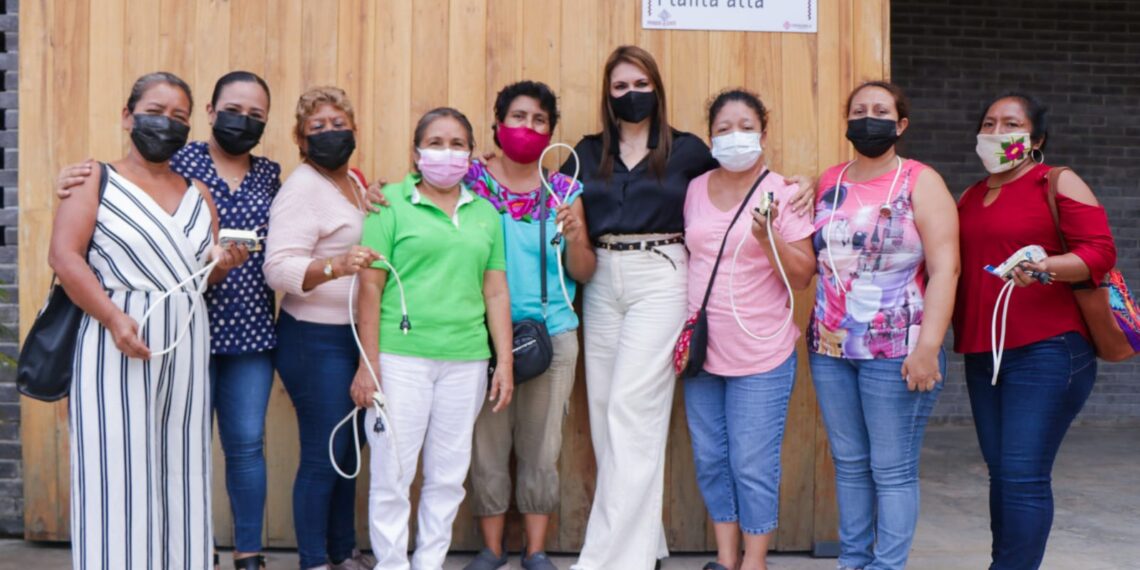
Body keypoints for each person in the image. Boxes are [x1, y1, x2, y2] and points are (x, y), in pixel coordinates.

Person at [47, 71, 248, 570]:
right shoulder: (94, 178)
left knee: (182, 466)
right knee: (116, 468)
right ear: (127, 116)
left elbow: (204, 276)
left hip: (185, 340)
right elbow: (65, 257)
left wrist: (222, 266)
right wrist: (114, 319)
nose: (167, 124)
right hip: (115, 335)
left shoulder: (200, 192)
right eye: (155, 112)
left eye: (179, 117)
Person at [564, 45, 718, 570]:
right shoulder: (584, 153)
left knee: (633, 411)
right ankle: (644, 545)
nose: (632, 94)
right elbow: (538, 206)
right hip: (602, 278)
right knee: (608, 414)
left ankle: (609, 560)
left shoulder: (690, 150)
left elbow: (735, 190)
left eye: (640, 84)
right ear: (608, 95)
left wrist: (800, 190)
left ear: (657, 85)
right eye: (621, 87)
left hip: (661, 273)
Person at [953, 92, 1115, 570]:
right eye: (989, 123)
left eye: (1011, 124)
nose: (997, 132)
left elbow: (1100, 252)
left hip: (1049, 348)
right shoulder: (970, 196)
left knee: (1022, 475)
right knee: (1002, 475)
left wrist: (1046, 264)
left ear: (1036, 139)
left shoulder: (1058, 181)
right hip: (985, 352)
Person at [353, 107, 514, 570]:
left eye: (458, 143)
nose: (447, 152)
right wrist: (369, 362)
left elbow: (496, 289)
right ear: (416, 151)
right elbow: (369, 285)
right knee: (392, 475)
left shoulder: (485, 213)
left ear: (471, 153)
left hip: (465, 360)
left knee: (447, 477)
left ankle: (429, 563)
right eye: (437, 142)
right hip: (401, 360)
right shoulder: (389, 205)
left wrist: (503, 361)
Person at [808, 81, 959, 570]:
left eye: (880, 110)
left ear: (901, 124)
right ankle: (852, 563)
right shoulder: (830, 180)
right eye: (858, 110)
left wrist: (928, 347)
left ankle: (886, 566)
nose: (867, 118)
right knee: (850, 467)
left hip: (899, 349)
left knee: (891, 470)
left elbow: (945, 268)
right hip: (830, 349)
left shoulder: (920, 180)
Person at [462, 81, 595, 570]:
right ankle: (492, 549)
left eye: (540, 120)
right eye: (518, 117)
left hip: (552, 332)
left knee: (543, 448)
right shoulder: (470, 181)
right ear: (497, 123)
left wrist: (578, 236)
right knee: (487, 445)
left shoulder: (564, 191)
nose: (528, 127)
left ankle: (535, 551)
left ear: (551, 131)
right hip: (481, 333)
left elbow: (582, 271)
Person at [682, 89, 816, 570]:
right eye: (722, 128)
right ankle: (725, 558)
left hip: (762, 353)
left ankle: (755, 561)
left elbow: (803, 276)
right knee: (712, 460)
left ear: (763, 131)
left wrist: (770, 236)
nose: (734, 136)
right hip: (702, 353)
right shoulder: (695, 188)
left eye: (744, 126)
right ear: (710, 135)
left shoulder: (783, 191)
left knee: (752, 465)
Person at [263, 86, 378, 570]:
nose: (331, 133)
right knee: (322, 453)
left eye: (339, 124)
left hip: (353, 335)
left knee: (348, 450)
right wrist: (333, 267)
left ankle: (342, 552)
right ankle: (314, 561)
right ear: (300, 138)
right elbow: (277, 267)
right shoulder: (303, 187)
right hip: (314, 339)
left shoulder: (351, 180)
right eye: (318, 128)